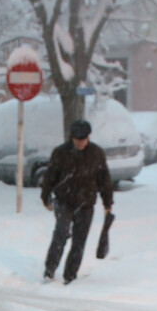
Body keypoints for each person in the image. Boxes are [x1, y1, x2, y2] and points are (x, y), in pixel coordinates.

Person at [40, 119, 114, 285]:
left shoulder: (96, 154)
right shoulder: (60, 153)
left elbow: (104, 180)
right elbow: (50, 176)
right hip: (63, 200)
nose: (79, 143)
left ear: (88, 137)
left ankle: (70, 275)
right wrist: (45, 196)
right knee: (61, 233)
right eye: (76, 139)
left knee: (79, 241)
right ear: (71, 137)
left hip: (86, 203)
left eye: (82, 139)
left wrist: (107, 203)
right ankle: (50, 269)